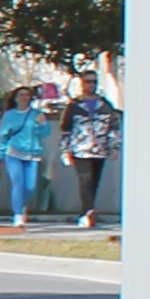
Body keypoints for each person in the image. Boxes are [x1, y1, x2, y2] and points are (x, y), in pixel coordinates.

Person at [0, 88, 61, 229]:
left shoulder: (36, 114)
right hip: (13, 153)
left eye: (27, 95)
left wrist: (42, 123)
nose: (24, 98)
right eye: (21, 95)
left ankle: (22, 206)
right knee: (18, 183)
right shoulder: (9, 115)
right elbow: (3, 136)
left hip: (32, 154)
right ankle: (17, 215)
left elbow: (45, 133)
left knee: (30, 187)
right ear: (15, 98)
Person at [58, 81, 121, 226]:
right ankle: (87, 211)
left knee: (94, 182)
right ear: (82, 84)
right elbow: (65, 130)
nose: (91, 84)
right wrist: (65, 150)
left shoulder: (105, 106)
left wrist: (115, 147)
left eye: (94, 81)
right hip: (80, 149)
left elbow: (114, 128)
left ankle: (88, 209)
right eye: (88, 81)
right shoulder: (74, 106)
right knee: (85, 180)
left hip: (100, 149)